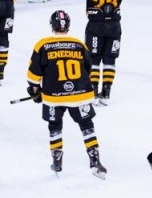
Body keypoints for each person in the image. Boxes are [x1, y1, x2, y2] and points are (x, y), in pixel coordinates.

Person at [26, 10, 106, 179]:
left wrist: (35, 91)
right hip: (81, 94)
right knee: (86, 125)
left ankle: (57, 161)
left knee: (55, 126)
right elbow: (88, 69)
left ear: (52, 25)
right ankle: (94, 159)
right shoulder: (79, 44)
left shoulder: (43, 45)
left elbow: (34, 74)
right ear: (68, 26)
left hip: (54, 97)